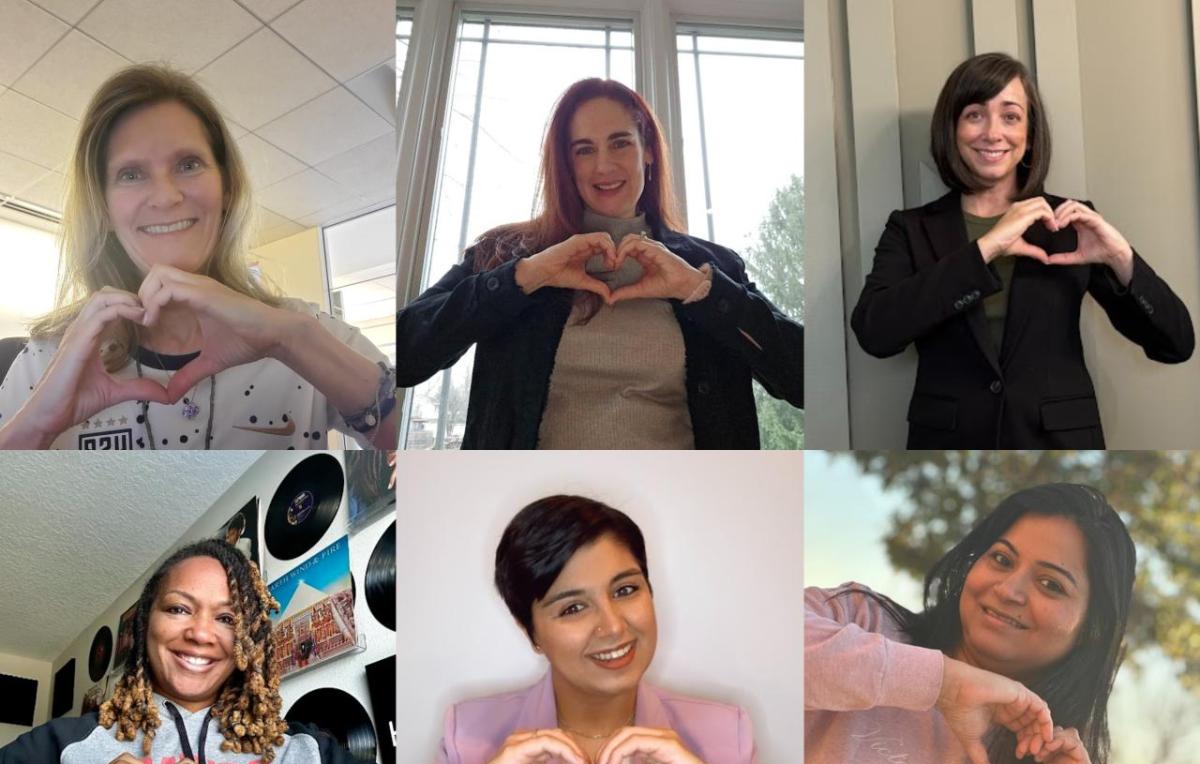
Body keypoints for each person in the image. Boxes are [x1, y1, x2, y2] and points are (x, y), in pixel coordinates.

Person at [397, 495, 802, 764]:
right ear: (531, 633)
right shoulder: (467, 737)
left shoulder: (724, 735)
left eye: (625, 590)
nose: (612, 626)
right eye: (573, 608)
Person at [0, 65, 397, 451]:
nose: (167, 196)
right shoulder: (44, 362)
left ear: (226, 188)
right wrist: (34, 427)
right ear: (102, 207)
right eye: (131, 174)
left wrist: (290, 339)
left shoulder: (308, 333)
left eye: (188, 165)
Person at [395, 78, 803, 449]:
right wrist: (526, 276)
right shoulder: (503, 252)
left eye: (620, 142)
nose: (603, 166)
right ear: (567, 164)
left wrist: (699, 291)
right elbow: (409, 352)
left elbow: (806, 380)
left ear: (648, 153)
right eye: (584, 149)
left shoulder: (714, 268)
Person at [805, 483, 1154, 764]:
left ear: (1091, 629)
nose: (1009, 590)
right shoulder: (864, 623)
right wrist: (942, 684)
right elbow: (747, 639)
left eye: (1051, 584)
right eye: (1002, 559)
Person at [0, 539, 394, 764]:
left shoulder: (312, 755)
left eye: (226, 618)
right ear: (145, 624)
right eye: (178, 609)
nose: (201, 633)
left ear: (250, 638)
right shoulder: (58, 746)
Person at [851, 53, 1193, 449]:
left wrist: (1121, 258)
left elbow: (1176, 344)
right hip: (949, 452)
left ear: (1029, 134)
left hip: (1058, 448)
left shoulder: (1069, 223)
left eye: (1010, 116)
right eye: (975, 115)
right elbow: (875, 333)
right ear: (952, 128)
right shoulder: (909, 229)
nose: (993, 133)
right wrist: (986, 248)